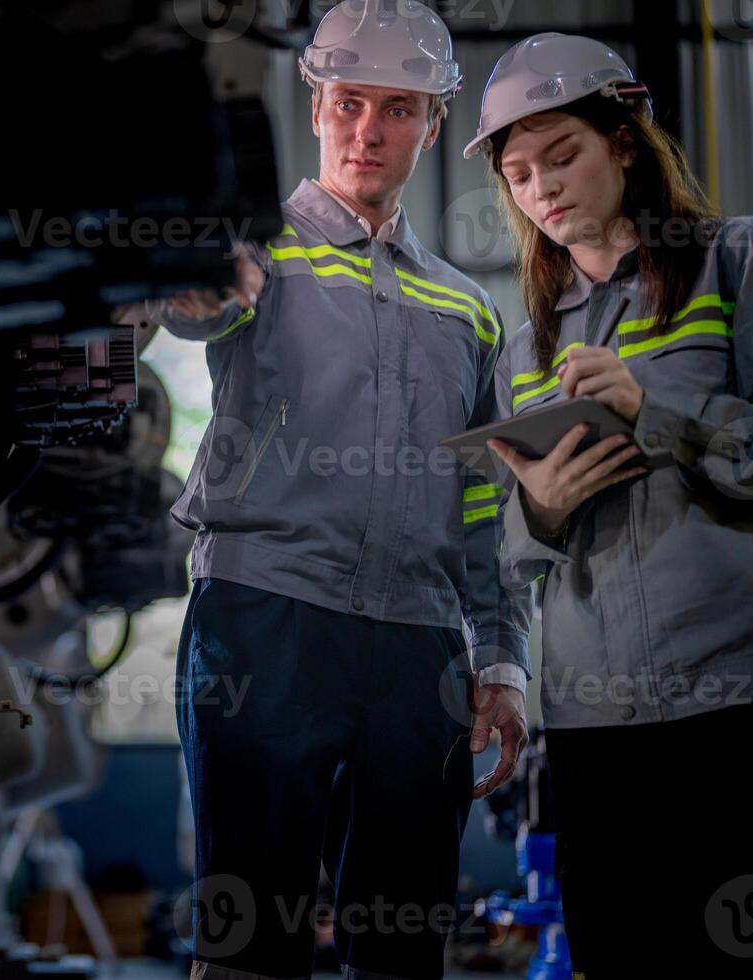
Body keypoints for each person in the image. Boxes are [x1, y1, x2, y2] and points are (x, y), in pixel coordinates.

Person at [153, 3, 534, 978]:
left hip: (419, 646)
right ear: (316, 105)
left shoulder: (465, 304)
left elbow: (481, 502)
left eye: (399, 109)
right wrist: (182, 280)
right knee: (251, 942)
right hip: (265, 618)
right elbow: (177, 307)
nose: (370, 131)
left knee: (404, 943)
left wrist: (499, 659)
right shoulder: (251, 253)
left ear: (434, 123)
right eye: (351, 103)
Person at [465, 32, 753, 976]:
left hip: (728, 702)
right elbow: (510, 551)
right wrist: (540, 510)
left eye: (562, 155)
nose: (540, 188)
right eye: (517, 174)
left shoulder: (729, 267)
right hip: (594, 727)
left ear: (625, 142)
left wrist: (652, 406)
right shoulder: (523, 350)